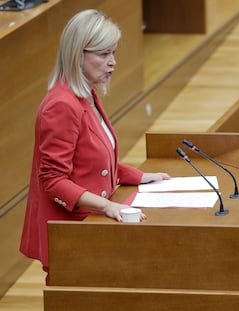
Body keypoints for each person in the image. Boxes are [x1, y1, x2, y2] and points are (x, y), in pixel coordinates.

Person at [19, 9, 170, 280]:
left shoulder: (86, 94)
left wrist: (140, 177)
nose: (112, 63)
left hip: (90, 224)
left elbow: (94, 159)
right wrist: (108, 207)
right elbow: (52, 180)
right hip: (72, 231)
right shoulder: (61, 106)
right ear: (78, 55)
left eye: (113, 53)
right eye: (103, 54)